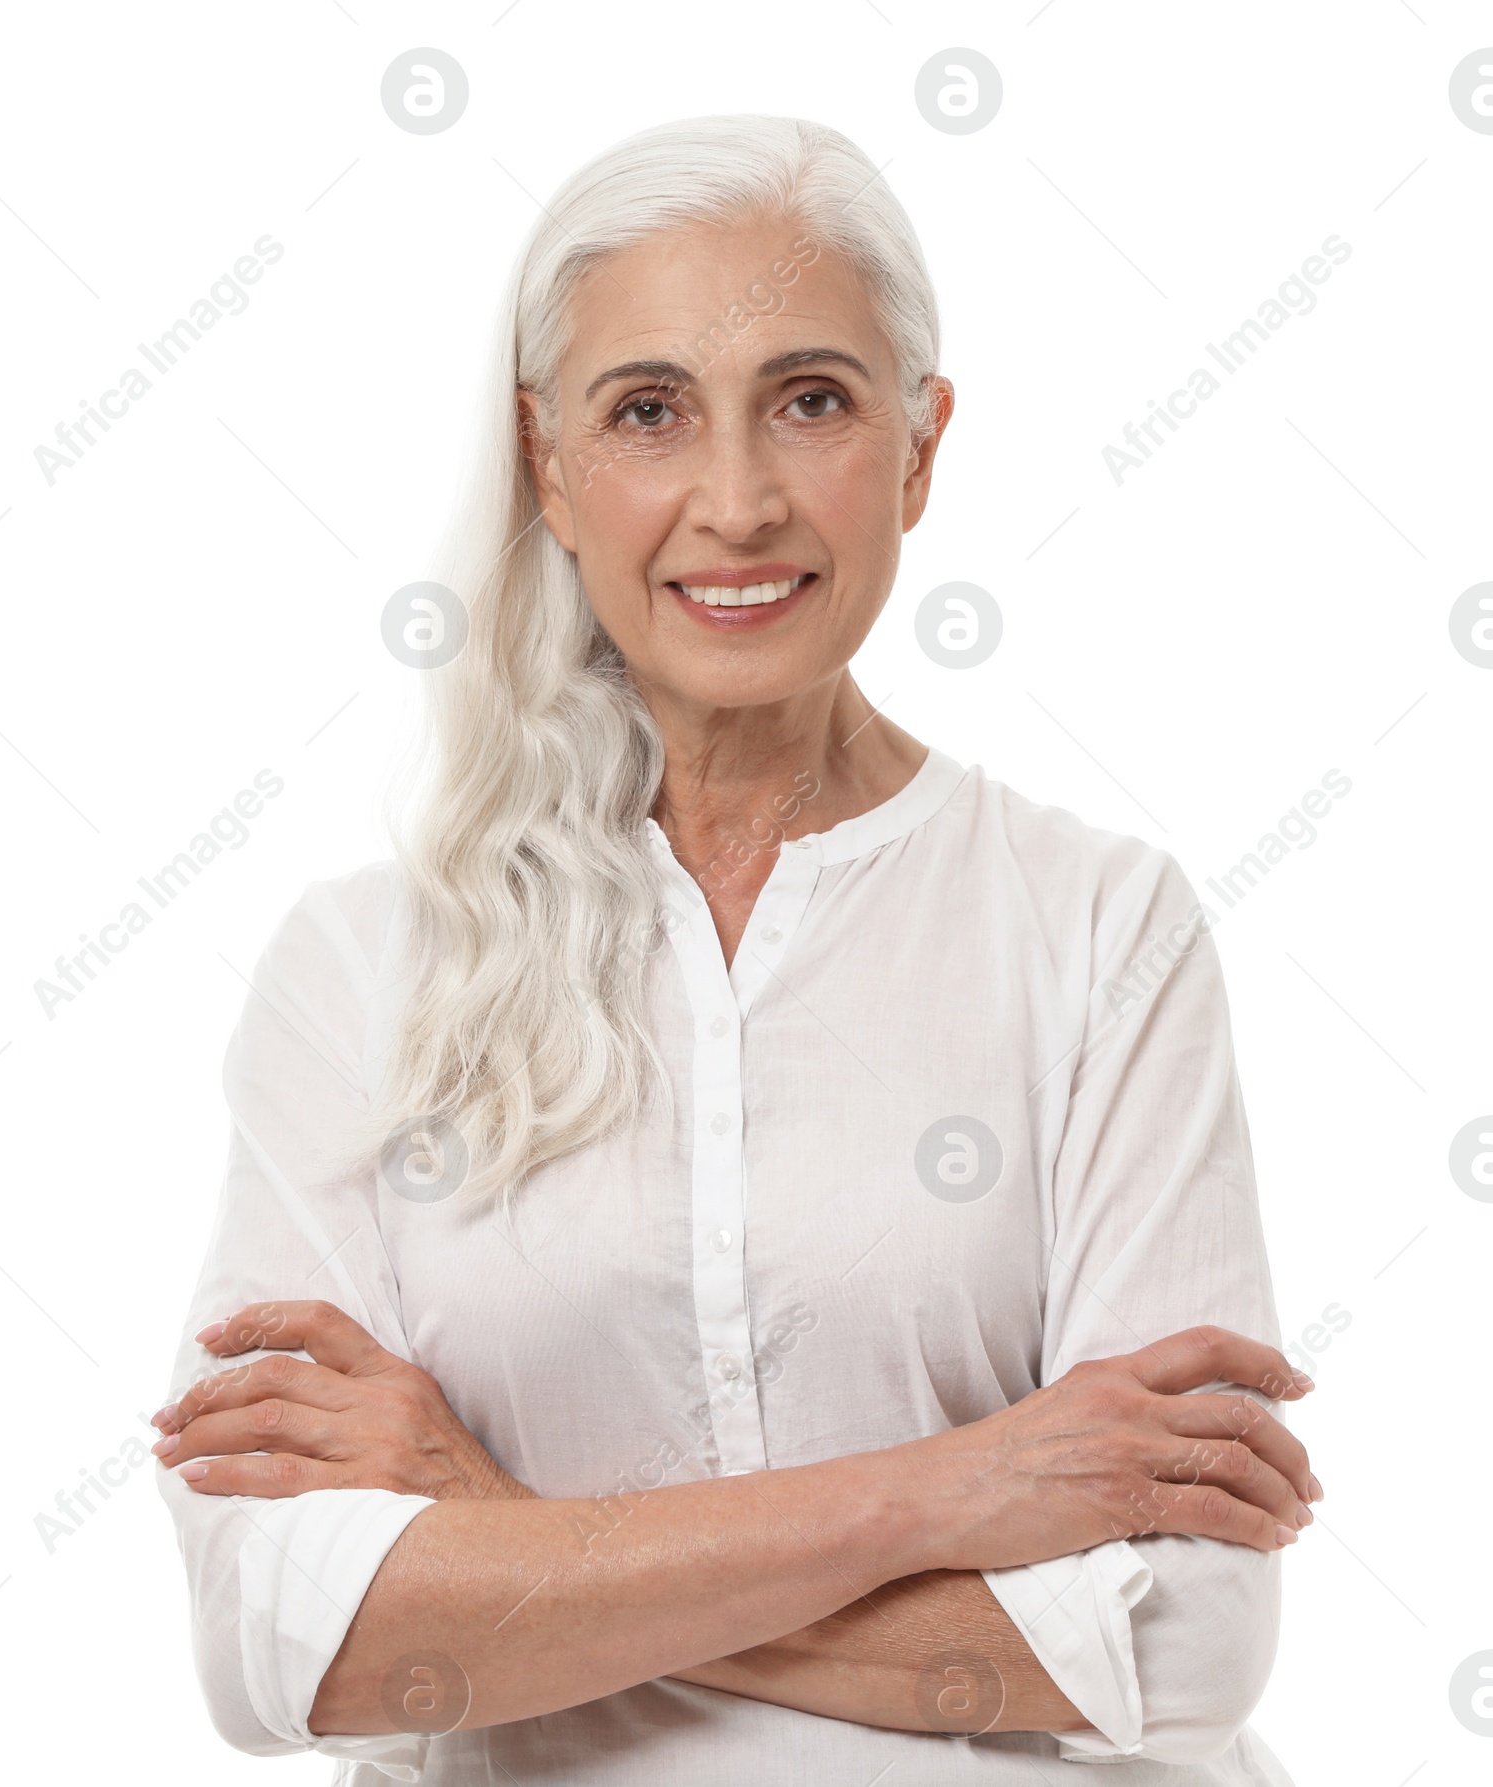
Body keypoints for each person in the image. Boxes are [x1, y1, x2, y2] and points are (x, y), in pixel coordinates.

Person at [151, 114, 1315, 1785]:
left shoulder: (1100, 929)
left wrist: (503, 1535)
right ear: (548, 461)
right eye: (648, 414)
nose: (740, 500)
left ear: (920, 448)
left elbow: (1184, 1644)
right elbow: (290, 1643)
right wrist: (943, 1497)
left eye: (814, 400)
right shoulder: (360, 974)